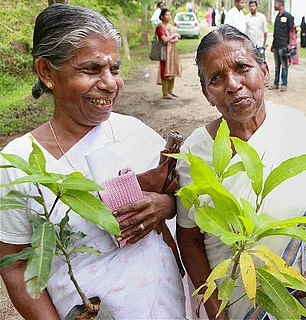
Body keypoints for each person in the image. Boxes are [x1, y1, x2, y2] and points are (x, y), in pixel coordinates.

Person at [0, 4, 185, 319]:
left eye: (114, 69)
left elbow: (184, 198)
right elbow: (17, 265)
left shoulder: (134, 133)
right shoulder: (17, 165)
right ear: (46, 72)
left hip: (165, 305)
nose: (110, 84)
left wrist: (163, 206)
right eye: (91, 70)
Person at [176, 24, 306, 320]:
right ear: (207, 93)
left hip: (288, 288)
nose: (233, 85)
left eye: (242, 68)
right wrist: (213, 308)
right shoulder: (195, 153)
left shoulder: (294, 124)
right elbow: (190, 238)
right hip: (229, 296)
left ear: (264, 71)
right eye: (217, 78)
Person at [156, 8, 182, 100]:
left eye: (169, 15)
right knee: (165, 71)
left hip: (172, 52)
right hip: (164, 52)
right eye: (166, 15)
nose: (168, 17)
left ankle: (170, 91)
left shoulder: (171, 26)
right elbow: (164, 40)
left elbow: (176, 40)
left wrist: (171, 38)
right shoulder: (160, 27)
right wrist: (174, 36)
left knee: (173, 70)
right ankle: (165, 93)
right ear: (162, 16)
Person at [269, 0, 294, 92]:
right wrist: (272, 45)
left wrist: (289, 44)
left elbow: (291, 31)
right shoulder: (277, 17)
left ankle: (284, 84)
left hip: (284, 45)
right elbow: (275, 33)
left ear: (280, 4)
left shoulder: (288, 16)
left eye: (275, 3)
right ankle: (276, 83)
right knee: (276, 66)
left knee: (284, 65)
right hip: (276, 45)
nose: (274, 5)